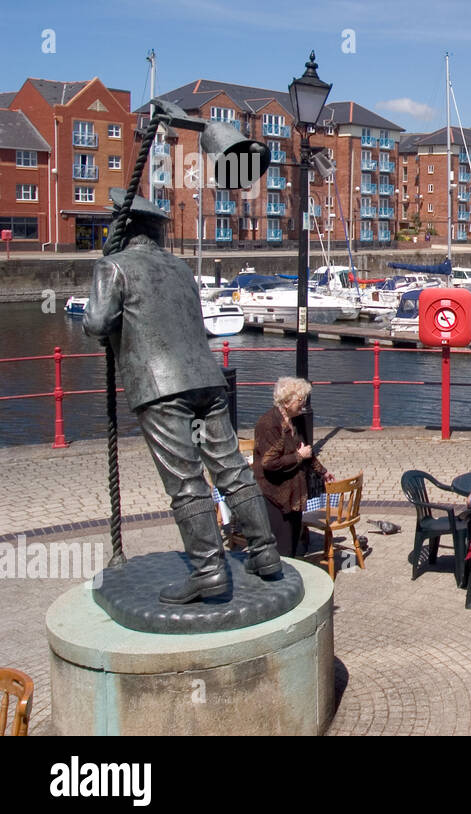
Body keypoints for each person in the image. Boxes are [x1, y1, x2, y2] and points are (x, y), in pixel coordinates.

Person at [84, 189, 282, 604]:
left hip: (160, 390)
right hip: (207, 381)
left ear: (122, 228)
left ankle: (209, 571)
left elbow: (99, 323)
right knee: (231, 470)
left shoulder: (113, 267)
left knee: (186, 482)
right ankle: (265, 553)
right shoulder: (178, 269)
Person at [254, 377, 333, 557]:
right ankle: (278, 580)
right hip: (274, 494)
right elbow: (269, 463)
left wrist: (322, 471)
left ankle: (291, 574)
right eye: (300, 399)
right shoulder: (269, 424)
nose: (304, 403)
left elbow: (305, 450)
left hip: (293, 492)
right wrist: (299, 456)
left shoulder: (294, 420)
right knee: (280, 547)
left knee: (292, 541)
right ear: (287, 400)